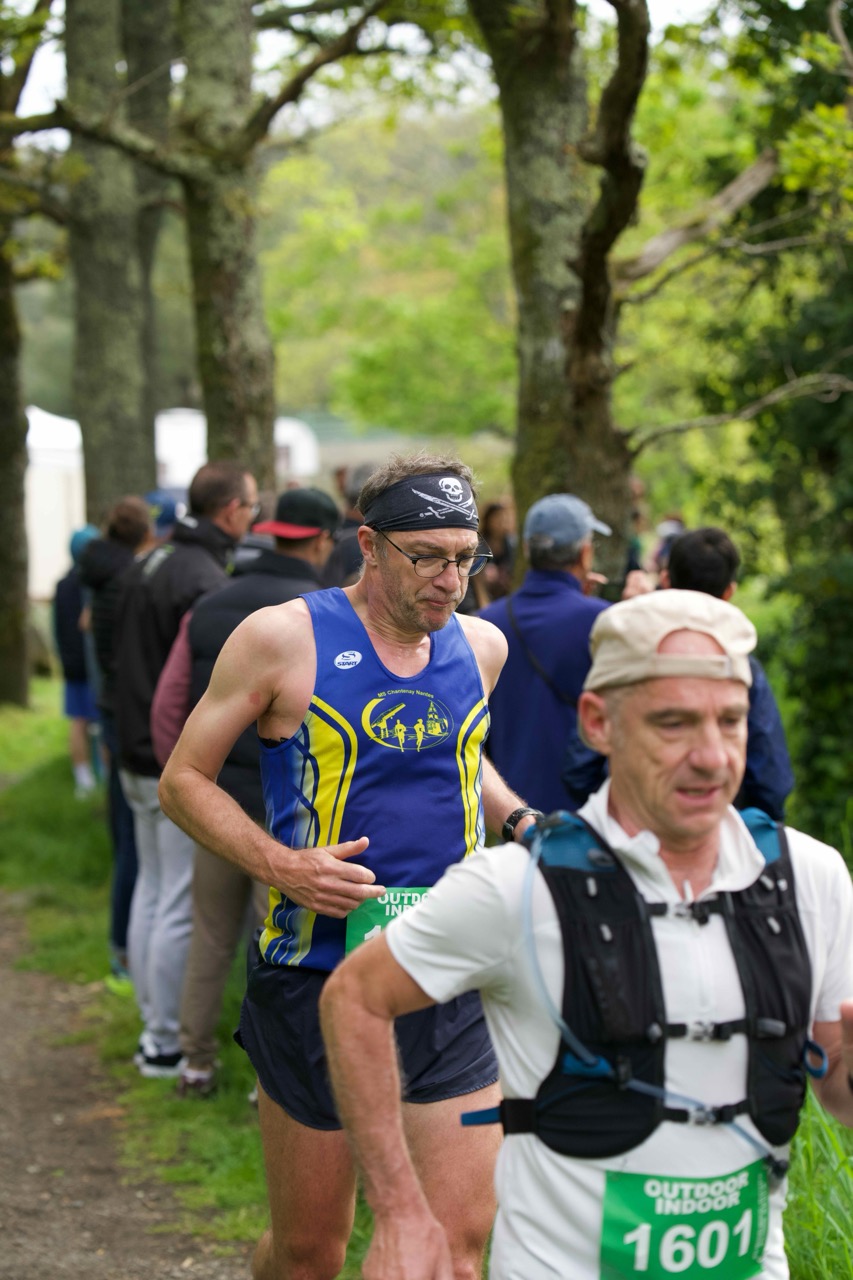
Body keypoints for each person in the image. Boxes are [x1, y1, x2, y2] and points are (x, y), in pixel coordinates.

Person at [319, 589, 853, 1280]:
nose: (711, 757)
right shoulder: (516, 887)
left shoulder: (809, 876)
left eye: (730, 721)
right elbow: (354, 998)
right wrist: (399, 1211)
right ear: (599, 723)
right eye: (673, 724)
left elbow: (836, 1088)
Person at [158, 453, 543, 1280]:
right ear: (368, 545)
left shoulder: (482, 647)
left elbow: (457, 756)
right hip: (314, 974)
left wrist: (517, 818)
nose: (451, 581)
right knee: (309, 1254)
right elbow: (182, 781)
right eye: (427, 557)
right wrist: (282, 865)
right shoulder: (281, 638)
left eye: (465, 558)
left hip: (448, 975)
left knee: (455, 1247)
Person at [150, 487, 341, 1097]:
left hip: (215, 799)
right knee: (281, 944)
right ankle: (269, 1077)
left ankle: (195, 1062)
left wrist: (185, 775)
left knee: (210, 936)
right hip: (291, 812)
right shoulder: (320, 619)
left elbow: (171, 702)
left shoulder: (211, 603)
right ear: (323, 541)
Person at [114, 461, 258, 1077]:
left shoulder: (153, 559)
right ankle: (165, 1039)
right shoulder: (202, 578)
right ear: (231, 511)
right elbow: (184, 687)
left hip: (134, 751)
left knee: (154, 891)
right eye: (251, 506)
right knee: (175, 901)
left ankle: (156, 1032)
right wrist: (187, 767)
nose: (252, 517)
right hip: (170, 763)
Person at [566, 526, 795, 819]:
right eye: (672, 724)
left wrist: (618, 820)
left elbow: (579, 768)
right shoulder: (741, 668)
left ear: (665, 580)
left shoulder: (629, 657)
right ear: (729, 591)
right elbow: (771, 781)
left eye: (728, 722)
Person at [479, 493, 611, 813]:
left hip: (508, 814)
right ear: (585, 554)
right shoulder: (604, 623)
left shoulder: (485, 625)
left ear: (526, 549)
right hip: (586, 815)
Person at [78, 496, 156, 982]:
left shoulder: (99, 573)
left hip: (111, 710)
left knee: (125, 830)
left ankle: (123, 949)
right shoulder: (129, 580)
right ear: (144, 534)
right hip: (130, 716)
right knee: (134, 841)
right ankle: (125, 954)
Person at [53, 524, 101, 797]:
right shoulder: (94, 582)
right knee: (95, 722)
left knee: (79, 721)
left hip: (72, 665)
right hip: (92, 665)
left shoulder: (62, 585)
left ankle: (84, 778)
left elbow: (58, 628)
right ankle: (98, 775)